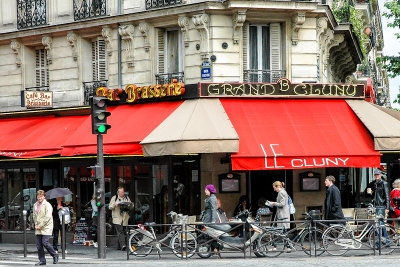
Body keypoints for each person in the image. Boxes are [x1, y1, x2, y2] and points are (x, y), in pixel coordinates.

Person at [33, 190, 59, 266]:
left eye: (41, 196)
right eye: (38, 196)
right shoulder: (35, 205)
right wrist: (36, 224)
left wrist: (40, 225)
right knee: (39, 245)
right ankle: (42, 260)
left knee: (45, 242)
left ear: (44, 196)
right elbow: (34, 215)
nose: (39, 198)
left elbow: (47, 217)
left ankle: (55, 255)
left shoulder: (47, 205)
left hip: (46, 226)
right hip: (38, 226)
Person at [366, 168, 390, 248]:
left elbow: (387, 196)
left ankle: (379, 243)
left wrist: (387, 207)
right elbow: (376, 196)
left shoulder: (384, 183)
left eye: (378, 174)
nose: (376, 176)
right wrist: (371, 193)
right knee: (381, 224)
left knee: (379, 224)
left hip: (381, 206)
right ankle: (386, 241)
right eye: (375, 175)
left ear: (381, 175)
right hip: (376, 206)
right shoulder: (375, 184)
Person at [268, 181, 291, 252]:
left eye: (274, 188)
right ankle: (287, 247)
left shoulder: (281, 193)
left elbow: (282, 204)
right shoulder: (283, 192)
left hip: (282, 215)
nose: (274, 189)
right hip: (282, 214)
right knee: (283, 231)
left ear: (277, 186)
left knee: (276, 231)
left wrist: (273, 203)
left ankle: (277, 246)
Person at [109, 186, 133, 251]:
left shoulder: (127, 198)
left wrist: (131, 205)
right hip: (117, 218)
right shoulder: (114, 198)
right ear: (118, 192)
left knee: (124, 232)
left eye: (123, 192)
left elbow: (130, 208)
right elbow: (110, 207)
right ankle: (123, 245)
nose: (123, 193)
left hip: (125, 218)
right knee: (120, 232)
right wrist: (115, 204)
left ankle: (119, 246)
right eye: (121, 192)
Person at [203, 184, 219, 256]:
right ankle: (213, 250)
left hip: (210, 219)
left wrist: (213, 220)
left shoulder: (212, 198)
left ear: (210, 190)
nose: (205, 191)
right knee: (210, 235)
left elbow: (213, 209)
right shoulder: (210, 197)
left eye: (206, 190)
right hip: (208, 217)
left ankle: (215, 249)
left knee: (210, 234)